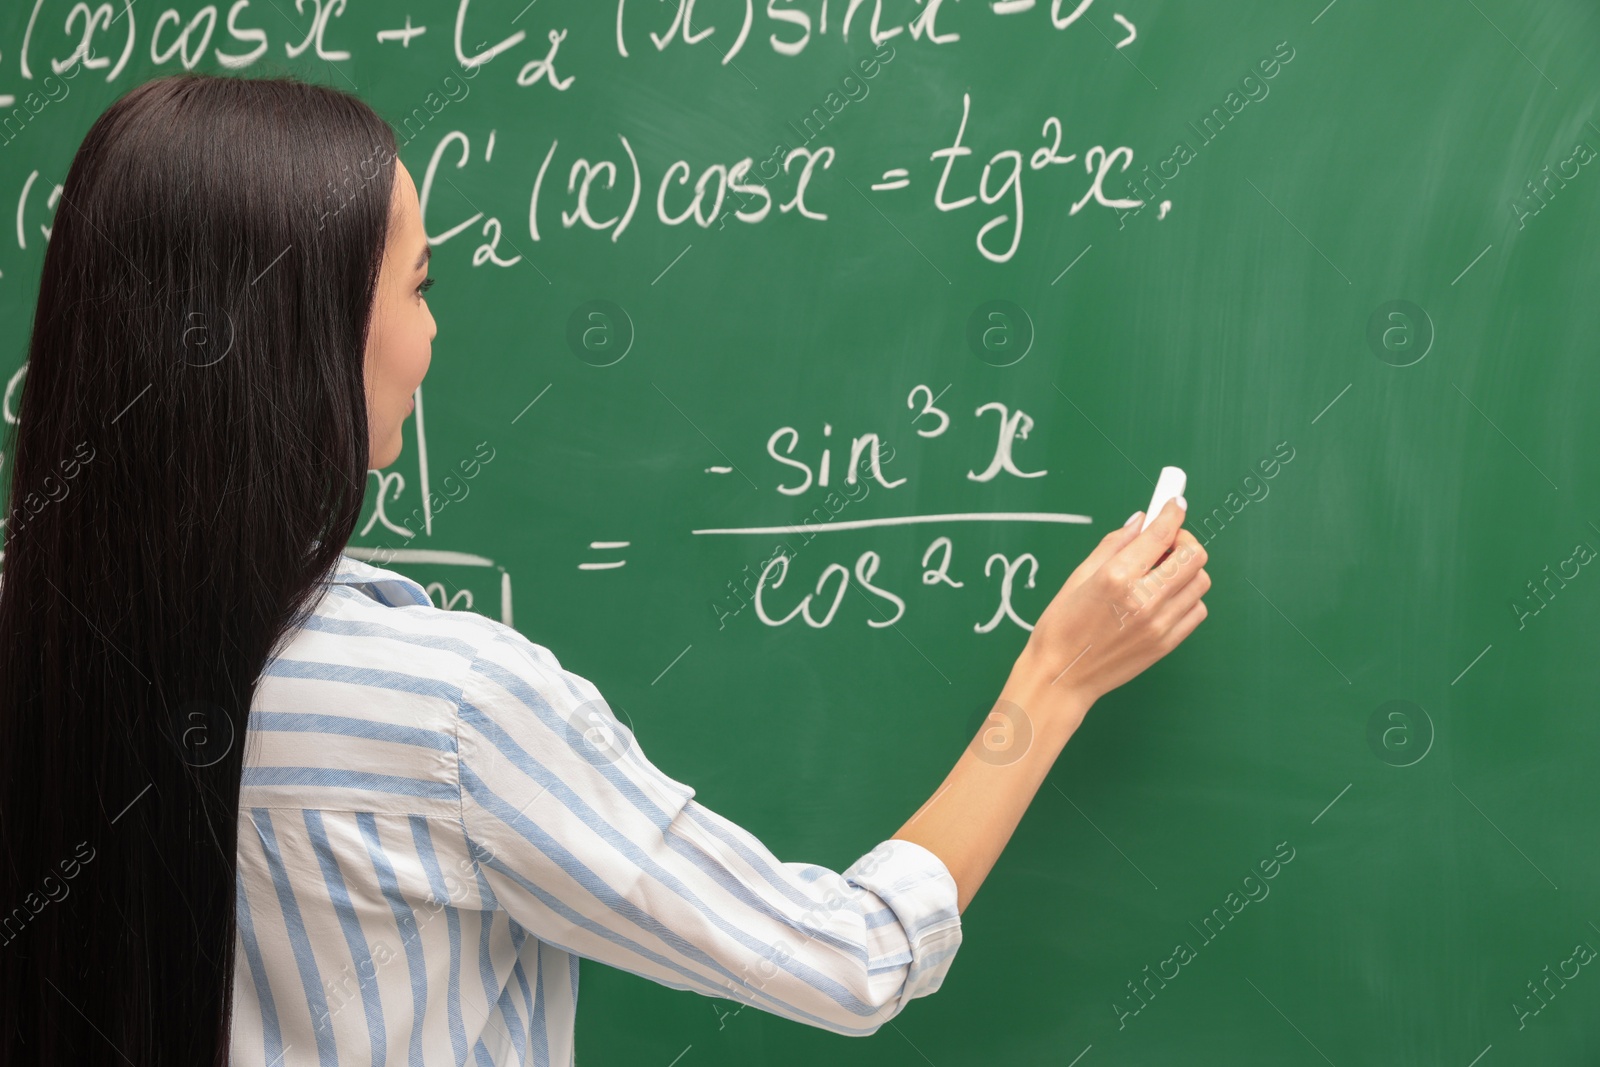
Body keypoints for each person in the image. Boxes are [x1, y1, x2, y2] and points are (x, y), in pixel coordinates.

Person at [0, 72, 1209, 1065]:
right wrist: (1054, 673)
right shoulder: (447, 712)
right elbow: (845, 957)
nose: (432, 334)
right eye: (418, 285)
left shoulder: (42, 654)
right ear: (304, 340)